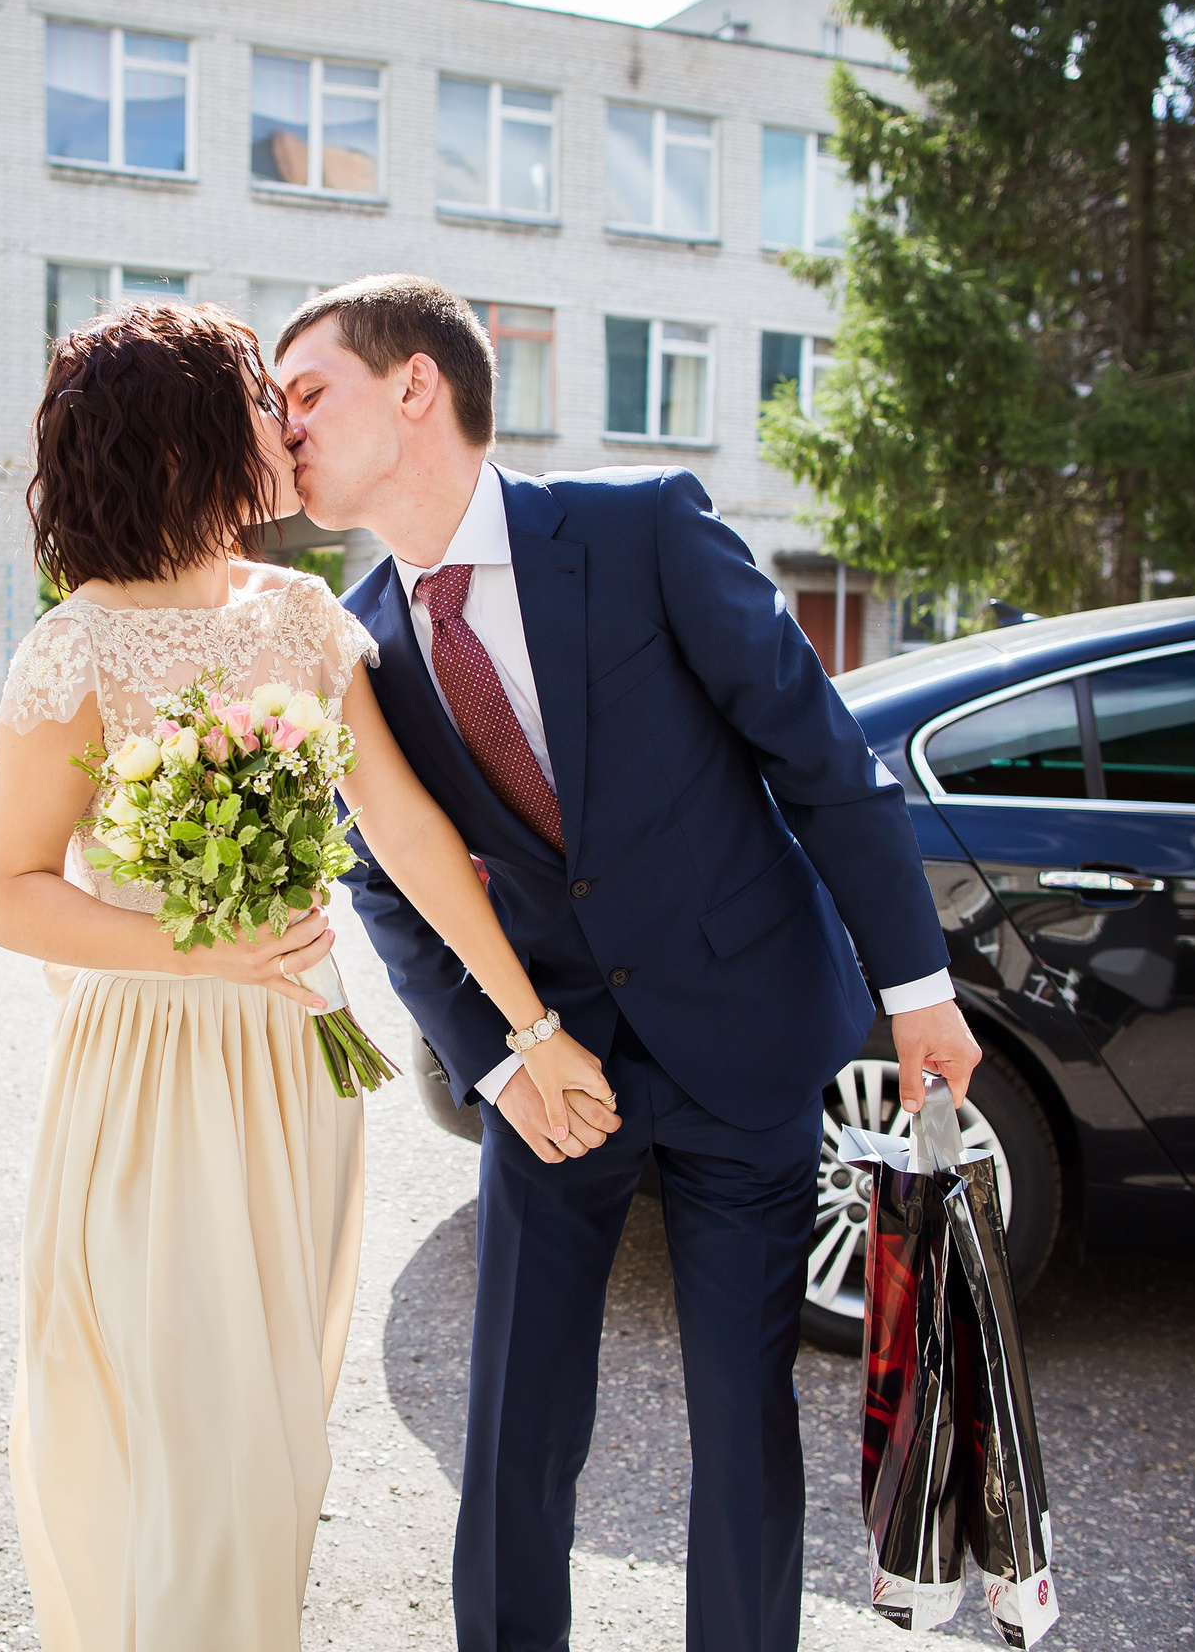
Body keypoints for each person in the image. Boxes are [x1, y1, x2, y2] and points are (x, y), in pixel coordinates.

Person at [274, 274, 985, 1652]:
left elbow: (819, 757)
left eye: (310, 394)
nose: (285, 428)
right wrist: (495, 1058)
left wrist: (919, 990)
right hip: (553, 1072)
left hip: (744, 1036)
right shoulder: (350, 641)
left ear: (416, 385)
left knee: (742, 1420)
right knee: (513, 1433)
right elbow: (384, 879)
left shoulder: (642, 524)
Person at [0, 302, 613, 1651]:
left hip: (296, 1070)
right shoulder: (76, 647)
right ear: (193, 437)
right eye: (267, 401)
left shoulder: (306, 619)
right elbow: (11, 893)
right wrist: (188, 946)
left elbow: (406, 831)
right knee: (171, 1416)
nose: (291, 424)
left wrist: (529, 1023)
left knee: (271, 1429)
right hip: (145, 1073)